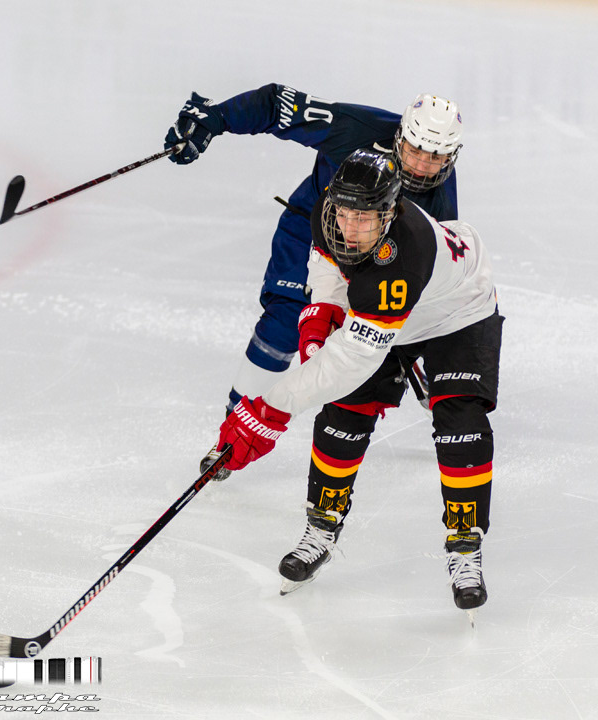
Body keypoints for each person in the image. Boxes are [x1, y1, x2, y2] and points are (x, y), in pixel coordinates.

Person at [213, 148, 503, 613]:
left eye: (364, 218)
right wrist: (321, 311)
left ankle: (466, 546)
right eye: (343, 213)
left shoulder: (404, 256)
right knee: (343, 414)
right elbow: (328, 262)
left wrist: (269, 409)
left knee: (460, 422)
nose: (349, 228)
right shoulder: (330, 214)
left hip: (457, 313)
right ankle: (321, 527)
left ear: (389, 214)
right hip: (387, 313)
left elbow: (352, 360)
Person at [164, 87, 464, 468]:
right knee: (284, 321)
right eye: (415, 150)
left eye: (436, 158)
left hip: (372, 258)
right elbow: (276, 104)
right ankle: (234, 427)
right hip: (311, 231)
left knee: (376, 338)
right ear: (400, 136)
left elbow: (433, 271)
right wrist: (218, 118)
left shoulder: (441, 198)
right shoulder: (358, 128)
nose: (421, 166)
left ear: (452, 156)